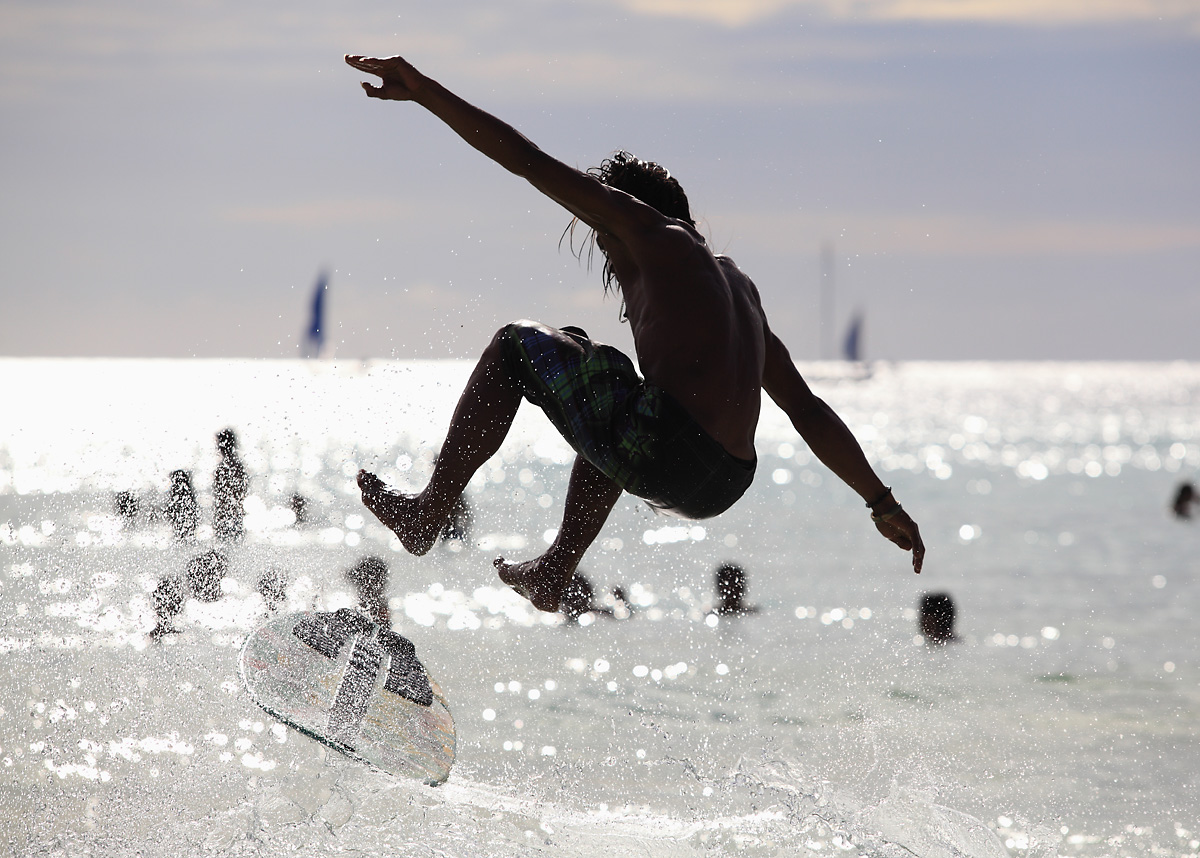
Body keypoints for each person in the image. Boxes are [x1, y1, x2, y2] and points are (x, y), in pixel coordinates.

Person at [346, 53, 924, 613]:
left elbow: (526, 160)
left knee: (515, 344)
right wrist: (880, 500)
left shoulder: (649, 231)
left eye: (602, 231)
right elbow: (807, 409)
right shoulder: (739, 293)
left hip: (671, 450)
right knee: (606, 380)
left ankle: (432, 509)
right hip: (726, 481)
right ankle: (555, 571)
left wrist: (424, 92)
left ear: (621, 210)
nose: (604, 246)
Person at [213, 428, 248, 542]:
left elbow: (223, 496)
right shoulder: (238, 465)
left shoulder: (225, 467)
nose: (217, 447)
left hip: (227, 518)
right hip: (235, 517)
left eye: (219, 444)